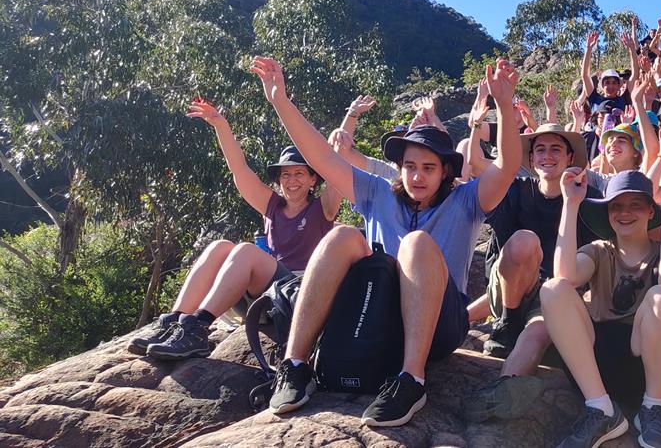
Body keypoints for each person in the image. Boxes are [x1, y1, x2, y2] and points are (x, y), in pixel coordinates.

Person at [251, 56, 523, 427]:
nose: (417, 176)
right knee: (344, 236)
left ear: (445, 171)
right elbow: (321, 157)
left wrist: (505, 107)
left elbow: (507, 167)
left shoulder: (467, 201)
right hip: (375, 318)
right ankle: (295, 366)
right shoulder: (378, 193)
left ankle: (411, 380)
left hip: (441, 325)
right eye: (410, 166)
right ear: (400, 167)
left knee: (416, 244)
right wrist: (280, 100)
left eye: (428, 168)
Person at [129, 97, 342, 360]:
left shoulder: (323, 208)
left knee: (246, 251)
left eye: (299, 173)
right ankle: (174, 322)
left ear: (313, 179)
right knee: (220, 246)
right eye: (285, 175)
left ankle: (196, 329)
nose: (291, 180)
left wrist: (344, 135)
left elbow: (337, 174)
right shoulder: (272, 206)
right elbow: (238, 169)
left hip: (296, 298)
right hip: (262, 298)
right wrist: (221, 125)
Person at [540, 170, 661, 448]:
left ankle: (652, 408)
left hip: (648, 367)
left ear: (650, 211)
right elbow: (564, 275)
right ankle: (601, 410)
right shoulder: (599, 250)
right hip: (595, 370)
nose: (625, 213)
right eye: (617, 206)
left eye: (635, 205)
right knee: (553, 288)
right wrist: (571, 204)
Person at [464, 124, 604, 422]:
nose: (547, 156)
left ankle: (501, 392)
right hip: (509, 287)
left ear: (569, 158)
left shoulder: (586, 199)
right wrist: (478, 126)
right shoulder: (515, 191)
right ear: (531, 159)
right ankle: (509, 320)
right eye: (540, 149)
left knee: (536, 334)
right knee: (526, 241)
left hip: (551, 295)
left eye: (556, 149)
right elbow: (475, 164)